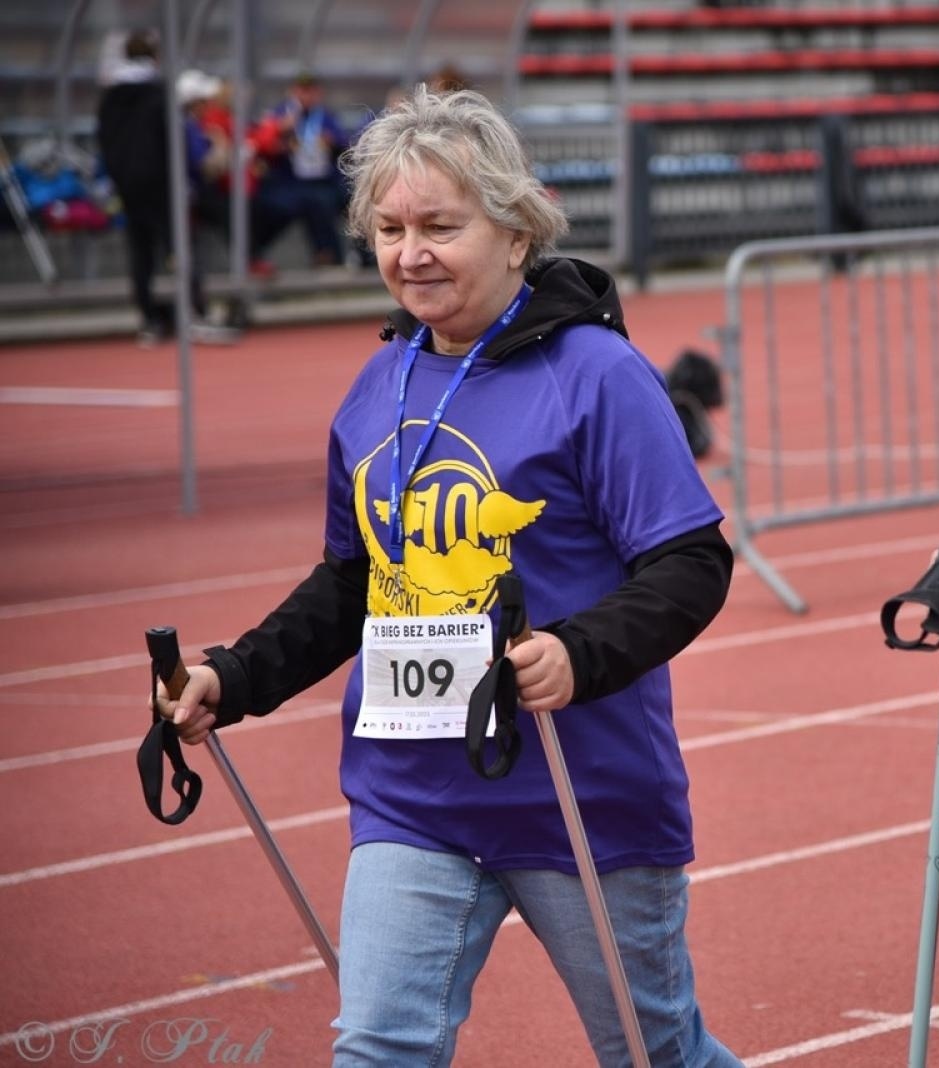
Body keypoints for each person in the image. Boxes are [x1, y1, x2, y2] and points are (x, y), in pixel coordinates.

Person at [154, 86, 743, 1067]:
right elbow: (352, 584)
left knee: (656, 1053)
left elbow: (689, 561)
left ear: (515, 232)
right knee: (377, 1047)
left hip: (576, 791)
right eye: (388, 228)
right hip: (412, 795)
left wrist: (577, 653)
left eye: (439, 225)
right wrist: (233, 675)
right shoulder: (377, 385)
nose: (409, 252)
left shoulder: (597, 374)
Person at [95, 30, 234, 346]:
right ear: (154, 56)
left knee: (141, 252)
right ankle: (193, 312)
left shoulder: (110, 97)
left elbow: (104, 141)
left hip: (128, 186)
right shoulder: (159, 94)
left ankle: (149, 319)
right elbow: (176, 142)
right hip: (162, 185)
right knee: (178, 247)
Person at [249, 71, 351, 267]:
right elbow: (263, 144)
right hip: (290, 181)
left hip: (321, 180)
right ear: (293, 92)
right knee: (291, 204)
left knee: (324, 201)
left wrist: (331, 142)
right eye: (302, 91)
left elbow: (344, 144)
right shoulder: (281, 116)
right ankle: (256, 254)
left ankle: (330, 256)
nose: (306, 96)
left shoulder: (325, 116)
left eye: (310, 91)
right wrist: (282, 136)